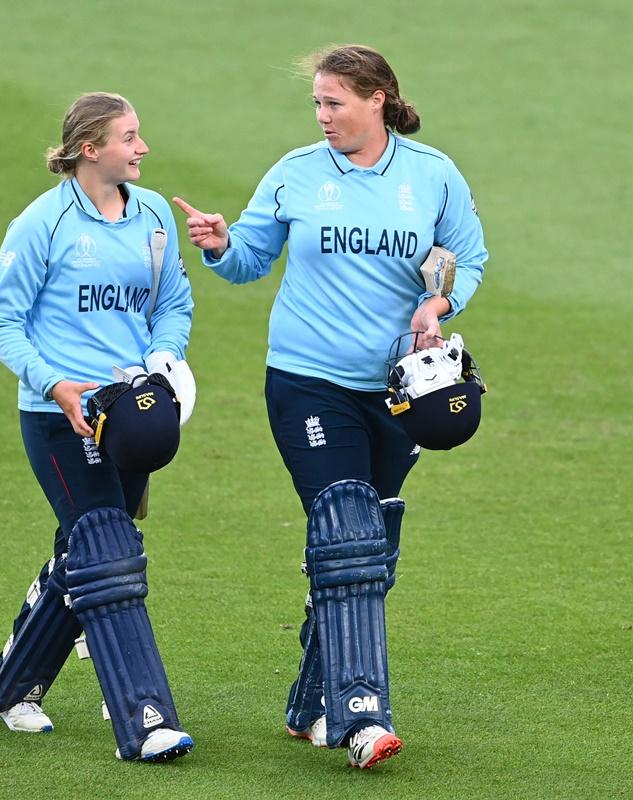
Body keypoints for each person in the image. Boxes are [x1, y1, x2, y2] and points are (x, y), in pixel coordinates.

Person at [173, 44, 487, 769]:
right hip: (308, 380)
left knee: (373, 543)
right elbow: (252, 257)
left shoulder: (431, 174)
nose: (322, 116)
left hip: (398, 390)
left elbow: (465, 257)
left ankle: (308, 702)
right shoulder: (296, 174)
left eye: (334, 102)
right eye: (316, 103)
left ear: (377, 99)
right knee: (347, 528)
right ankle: (360, 716)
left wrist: (439, 300)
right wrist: (222, 244)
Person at [0, 92, 196, 763]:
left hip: (130, 413)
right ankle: (144, 715)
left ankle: (12, 685)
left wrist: (163, 359)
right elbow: (1, 321)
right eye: (131, 137)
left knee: (88, 550)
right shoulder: (42, 224)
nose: (143, 148)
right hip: (57, 415)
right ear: (90, 147)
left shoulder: (153, 214)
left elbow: (173, 302)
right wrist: (53, 383)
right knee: (108, 548)